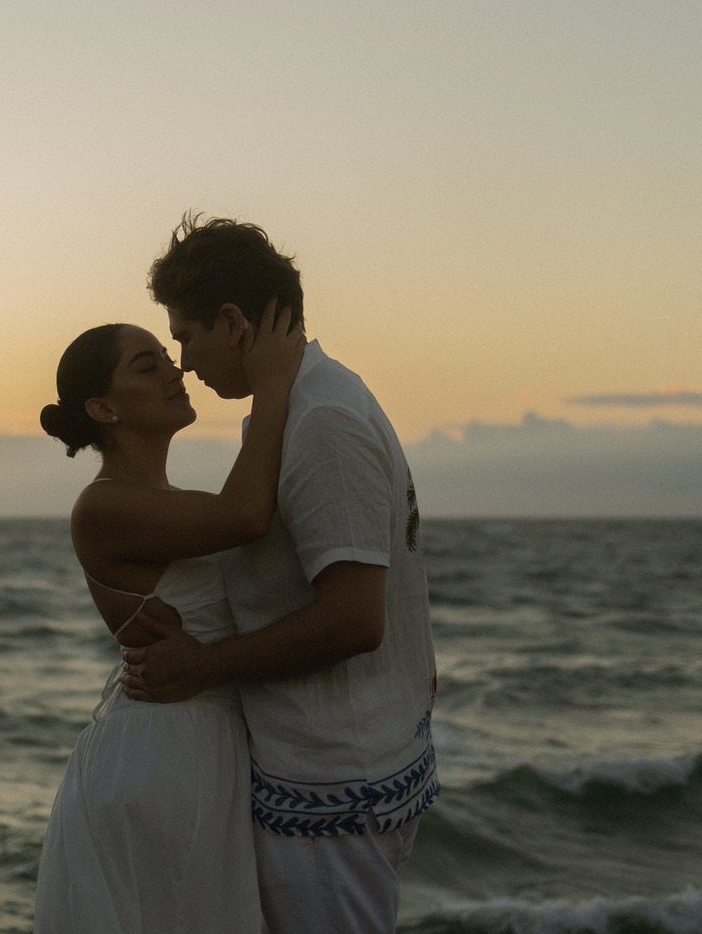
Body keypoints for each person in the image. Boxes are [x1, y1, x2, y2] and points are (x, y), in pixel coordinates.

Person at [122, 215, 438, 934]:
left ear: (231, 322)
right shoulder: (301, 405)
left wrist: (203, 666)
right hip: (342, 765)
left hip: (335, 781)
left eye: (186, 335)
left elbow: (357, 617)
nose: (184, 361)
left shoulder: (322, 420)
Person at [32, 300, 305, 934]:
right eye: (148, 365)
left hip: (204, 743)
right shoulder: (102, 507)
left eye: (167, 358)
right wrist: (270, 387)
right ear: (104, 409)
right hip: (164, 757)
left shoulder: (175, 504)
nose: (174, 371)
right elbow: (246, 517)